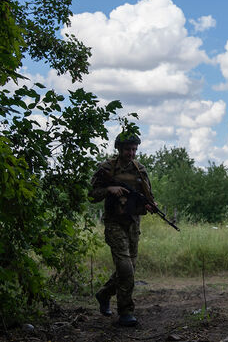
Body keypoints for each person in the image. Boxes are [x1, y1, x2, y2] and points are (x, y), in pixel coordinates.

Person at [89, 131, 156, 327]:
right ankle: (126, 312)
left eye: (134, 149)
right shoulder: (106, 168)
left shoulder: (139, 169)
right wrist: (109, 189)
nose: (131, 153)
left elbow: (147, 195)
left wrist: (150, 205)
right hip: (114, 222)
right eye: (128, 149)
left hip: (133, 224)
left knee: (129, 268)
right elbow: (92, 194)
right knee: (125, 267)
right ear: (119, 148)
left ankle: (104, 294)